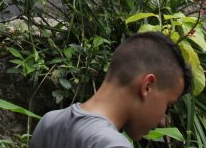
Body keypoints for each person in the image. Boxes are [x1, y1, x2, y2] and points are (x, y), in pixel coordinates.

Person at [30, 32, 191, 148]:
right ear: (147, 86)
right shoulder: (112, 144)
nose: (162, 121)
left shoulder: (48, 123)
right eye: (168, 105)